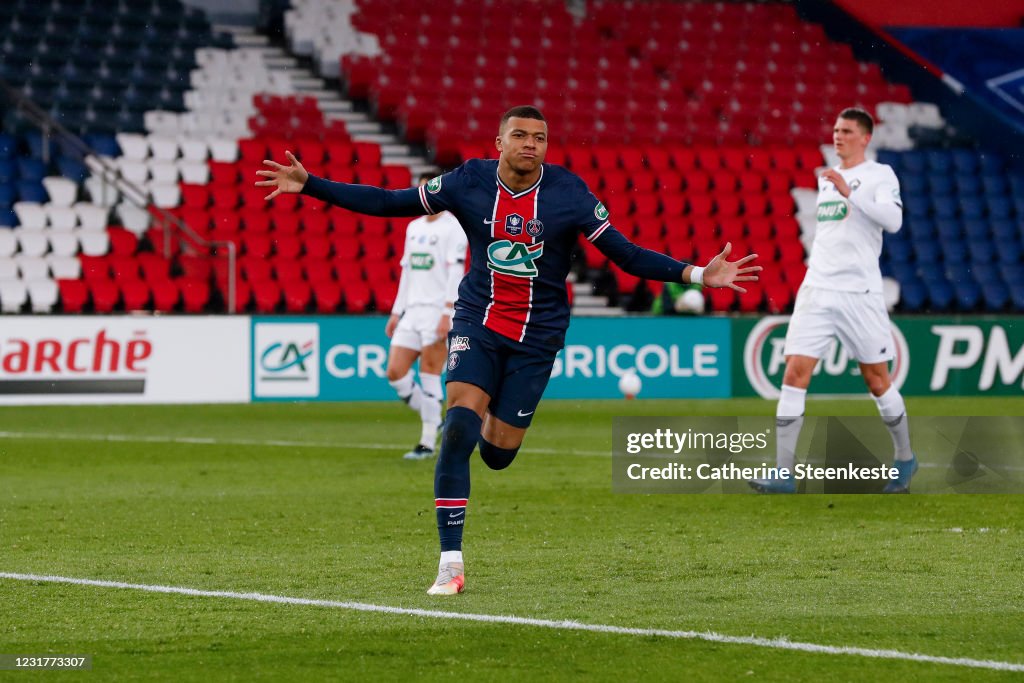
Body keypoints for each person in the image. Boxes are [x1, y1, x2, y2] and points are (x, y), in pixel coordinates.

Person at [256, 105, 761, 595]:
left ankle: (489, 426)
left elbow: (625, 255)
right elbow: (391, 202)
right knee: (458, 428)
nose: (530, 145)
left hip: (537, 338)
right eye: (520, 136)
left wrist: (697, 273)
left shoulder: (569, 194)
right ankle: (449, 563)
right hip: (477, 321)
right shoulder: (467, 181)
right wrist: (311, 185)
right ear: (499, 142)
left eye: (539, 138)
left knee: (497, 455)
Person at [750, 107, 916, 495]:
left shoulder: (879, 175)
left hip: (859, 293)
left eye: (846, 131)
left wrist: (849, 194)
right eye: (836, 130)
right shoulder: (827, 180)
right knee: (794, 374)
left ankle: (905, 458)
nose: (837, 136)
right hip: (818, 289)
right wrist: (840, 189)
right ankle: (783, 474)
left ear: (865, 137)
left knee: (877, 381)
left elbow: (893, 222)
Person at [385, 173, 468, 461]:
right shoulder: (413, 227)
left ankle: (427, 442)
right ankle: (437, 418)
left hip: (437, 311)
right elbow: (407, 271)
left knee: (430, 373)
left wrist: (447, 312)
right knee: (395, 371)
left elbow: (456, 272)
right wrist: (397, 312)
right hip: (413, 311)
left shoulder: (453, 228)